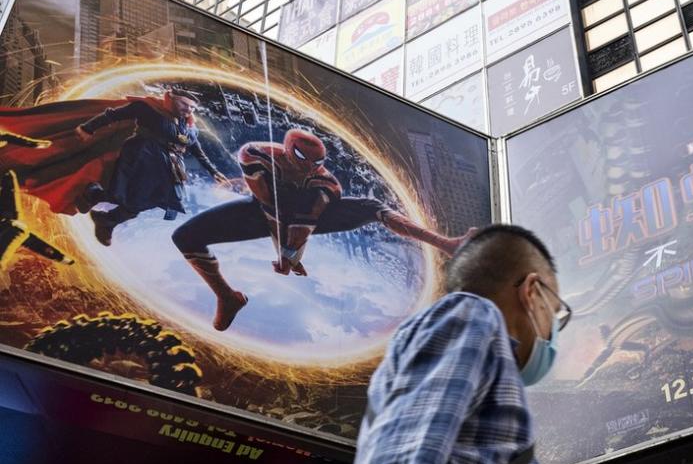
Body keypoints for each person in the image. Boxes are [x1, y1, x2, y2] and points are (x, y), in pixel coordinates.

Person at [343, 224, 571, 464]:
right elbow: (406, 460)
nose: (553, 331)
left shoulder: (478, 351)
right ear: (532, 291)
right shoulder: (470, 314)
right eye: (555, 312)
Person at [171, 128, 477, 331]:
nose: (308, 167)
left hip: (307, 216)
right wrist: (285, 253)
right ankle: (227, 296)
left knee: (372, 208)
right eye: (303, 159)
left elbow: (306, 220)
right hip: (260, 211)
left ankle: (446, 243)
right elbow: (269, 206)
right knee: (185, 236)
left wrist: (290, 254)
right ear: (289, 150)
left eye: (316, 162)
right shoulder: (257, 154)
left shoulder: (326, 182)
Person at [75, 88, 228, 245]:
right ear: (172, 99)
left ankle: (105, 217)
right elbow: (113, 115)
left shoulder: (188, 126)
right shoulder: (149, 108)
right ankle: (95, 199)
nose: (188, 109)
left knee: (153, 199)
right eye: (184, 104)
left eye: (192, 107)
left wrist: (213, 171)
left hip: (168, 166)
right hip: (142, 156)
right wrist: (89, 127)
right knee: (127, 195)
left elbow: (197, 151)